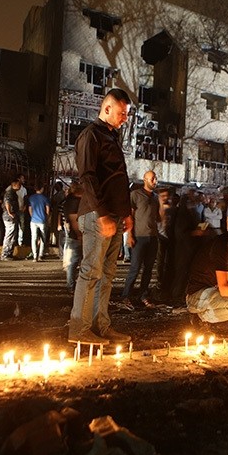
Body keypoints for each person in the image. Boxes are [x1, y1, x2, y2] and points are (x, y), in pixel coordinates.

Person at [69, 88, 133, 345]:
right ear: (107, 109)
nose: (125, 118)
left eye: (126, 114)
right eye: (122, 113)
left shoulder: (111, 137)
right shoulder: (91, 136)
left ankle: (100, 325)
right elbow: (87, 177)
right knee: (91, 272)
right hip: (99, 216)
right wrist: (102, 214)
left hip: (115, 217)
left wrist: (127, 215)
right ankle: (79, 329)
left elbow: (118, 179)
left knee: (107, 274)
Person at [120, 170, 160, 309]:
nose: (155, 181)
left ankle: (143, 295)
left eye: (155, 179)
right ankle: (125, 296)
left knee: (148, 269)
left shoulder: (155, 197)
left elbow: (156, 217)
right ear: (145, 179)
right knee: (135, 268)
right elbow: (129, 216)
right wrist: (130, 235)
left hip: (152, 236)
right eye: (152, 179)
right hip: (139, 236)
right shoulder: (135, 195)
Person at [62, 182, 84, 292]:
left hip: (74, 235)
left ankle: (72, 285)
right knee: (74, 262)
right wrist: (79, 234)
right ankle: (71, 285)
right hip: (76, 236)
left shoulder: (69, 200)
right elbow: (74, 219)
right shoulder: (73, 202)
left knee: (74, 262)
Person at [28, 183, 51, 262]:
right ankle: (40, 255)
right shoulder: (45, 198)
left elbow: (30, 209)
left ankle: (34, 256)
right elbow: (47, 210)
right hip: (42, 220)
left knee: (33, 238)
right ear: (42, 189)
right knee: (43, 238)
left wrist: (32, 216)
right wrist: (47, 218)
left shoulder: (31, 198)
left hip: (33, 220)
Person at [1, 179, 22, 261]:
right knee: (9, 235)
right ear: (14, 184)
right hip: (9, 217)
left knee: (12, 235)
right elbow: (7, 202)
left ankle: (9, 253)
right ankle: (5, 254)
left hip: (12, 216)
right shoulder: (9, 193)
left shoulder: (13, 193)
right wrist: (9, 212)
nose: (20, 186)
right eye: (18, 184)